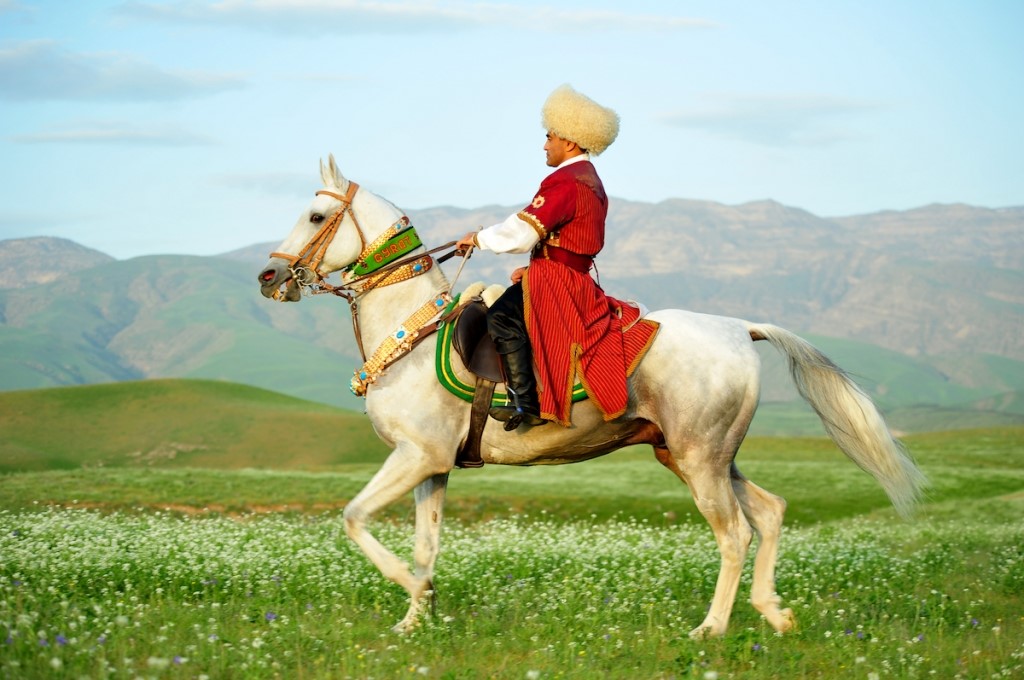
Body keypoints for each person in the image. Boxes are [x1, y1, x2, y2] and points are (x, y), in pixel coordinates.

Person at [456, 84, 629, 431]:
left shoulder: (564, 181)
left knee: (502, 318)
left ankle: (526, 402)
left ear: (570, 141)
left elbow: (522, 232)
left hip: (557, 282)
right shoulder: (591, 181)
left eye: (549, 137)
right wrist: (537, 264)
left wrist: (478, 238)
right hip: (572, 277)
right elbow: (569, 240)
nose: (545, 144)